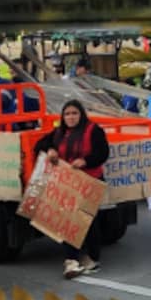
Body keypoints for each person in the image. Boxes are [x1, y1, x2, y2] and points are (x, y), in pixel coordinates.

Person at [34, 100, 109, 279]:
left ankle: (91, 256)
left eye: (74, 113)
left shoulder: (94, 130)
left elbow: (103, 153)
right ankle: (71, 259)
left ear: (81, 114)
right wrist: (51, 149)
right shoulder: (59, 132)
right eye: (67, 114)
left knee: (88, 220)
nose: (71, 117)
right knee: (67, 220)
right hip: (67, 183)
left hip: (89, 180)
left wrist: (86, 161)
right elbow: (40, 145)